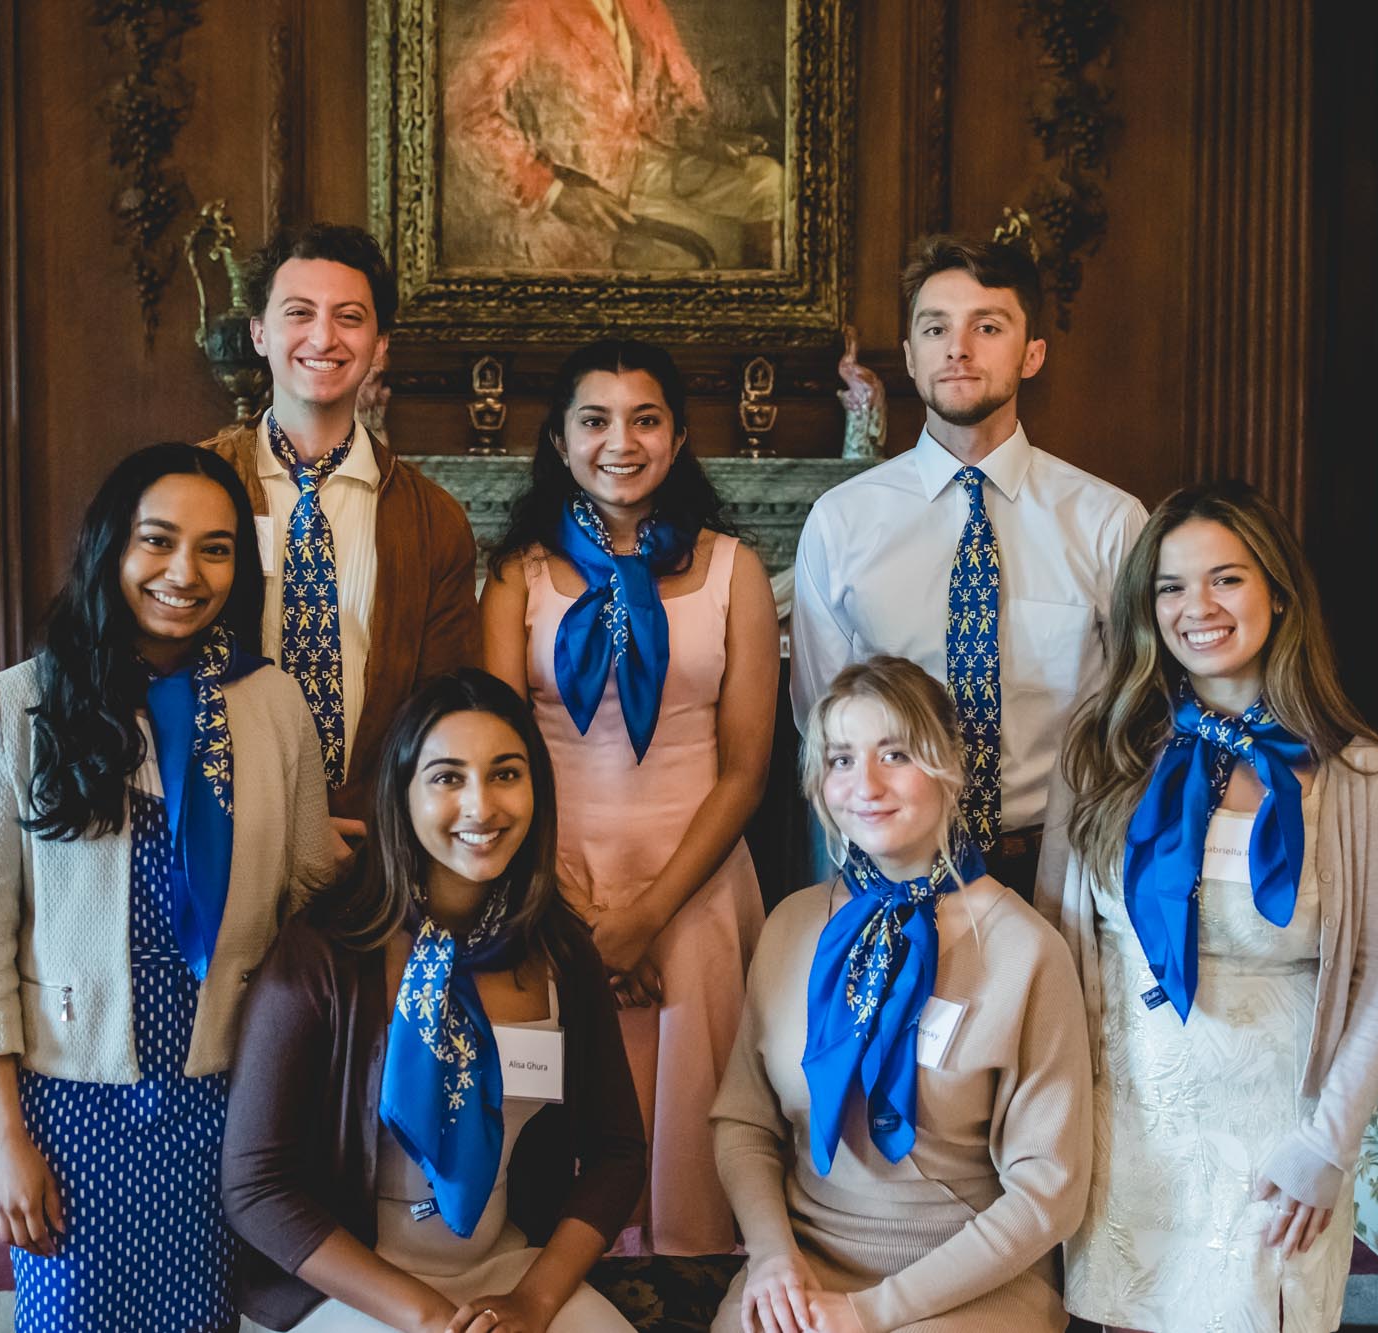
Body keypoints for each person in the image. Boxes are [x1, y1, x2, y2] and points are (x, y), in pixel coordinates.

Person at [0, 443, 341, 1333]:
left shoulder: (275, 706)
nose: (184, 573)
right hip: (70, 1099)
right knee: (72, 1313)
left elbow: (312, 898)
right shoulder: (17, 705)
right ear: (109, 549)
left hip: (230, 1090)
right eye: (156, 541)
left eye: (216, 548)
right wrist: (3, 1138)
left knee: (203, 1316)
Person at [1036, 480, 1378, 1333]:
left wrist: (1328, 1144)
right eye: (1170, 586)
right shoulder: (1098, 755)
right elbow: (1063, 949)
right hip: (1126, 1127)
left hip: (1282, 1134)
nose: (1194, 606)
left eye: (1226, 578)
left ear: (1278, 593)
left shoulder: (1362, 776)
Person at [221, 669, 646, 1333]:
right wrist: (424, 1315)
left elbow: (618, 1152)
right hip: (359, 1283)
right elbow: (255, 1185)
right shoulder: (322, 951)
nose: (482, 806)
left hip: (512, 1272)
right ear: (402, 793)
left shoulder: (563, 950)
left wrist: (534, 1301)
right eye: (448, 777)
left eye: (506, 773)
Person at [481, 338, 778, 1256]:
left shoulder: (736, 571)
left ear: (680, 437)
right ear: (560, 439)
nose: (622, 440)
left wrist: (647, 916)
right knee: (563, 1127)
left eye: (645, 419)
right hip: (545, 880)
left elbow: (746, 771)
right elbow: (497, 758)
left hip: (694, 884)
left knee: (684, 1136)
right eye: (596, 420)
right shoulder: (515, 577)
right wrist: (574, 918)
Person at [711, 655, 1091, 1332]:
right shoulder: (790, 925)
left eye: (896, 753)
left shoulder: (1027, 950)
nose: (867, 784)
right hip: (804, 1266)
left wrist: (873, 1311)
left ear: (951, 766)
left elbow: (1049, 1192)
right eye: (841, 759)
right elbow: (744, 1123)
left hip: (971, 1283)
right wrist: (770, 1256)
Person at [790, 236, 1148, 895]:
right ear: (908, 355)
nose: (958, 347)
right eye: (935, 328)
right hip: (891, 869)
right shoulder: (841, 523)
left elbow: (1139, 717)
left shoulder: (1110, 523)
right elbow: (823, 720)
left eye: (988, 326)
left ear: (1032, 352)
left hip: (1064, 867)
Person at [197, 222, 482, 829]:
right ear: (259, 333)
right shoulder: (193, 487)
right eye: (299, 312)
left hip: (373, 843)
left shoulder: (433, 521)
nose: (323, 337)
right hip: (220, 830)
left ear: (380, 344)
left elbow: (445, 705)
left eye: (350, 317)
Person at [442, 0, 781, 270]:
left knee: (767, 182)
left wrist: (704, 138)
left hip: (643, 164)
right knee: (697, 253)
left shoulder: (643, 5)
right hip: (580, 189)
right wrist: (552, 191)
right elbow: (467, 113)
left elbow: (666, 96)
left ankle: (769, 323)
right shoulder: (522, 7)